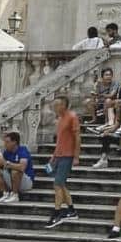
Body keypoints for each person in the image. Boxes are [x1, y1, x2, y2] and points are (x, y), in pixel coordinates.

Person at [46, 95, 80, 228]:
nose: (55, 107)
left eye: (57, 104)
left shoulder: (72, 117)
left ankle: (57, 212)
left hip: (67, 155)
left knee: (57, 184)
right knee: (61, 184)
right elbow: (60, 140)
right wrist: (53, 156)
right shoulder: (59, 119)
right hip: (59, 155)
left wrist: (76, 156)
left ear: (64, 105)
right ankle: (71, 210)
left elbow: (77, 138)